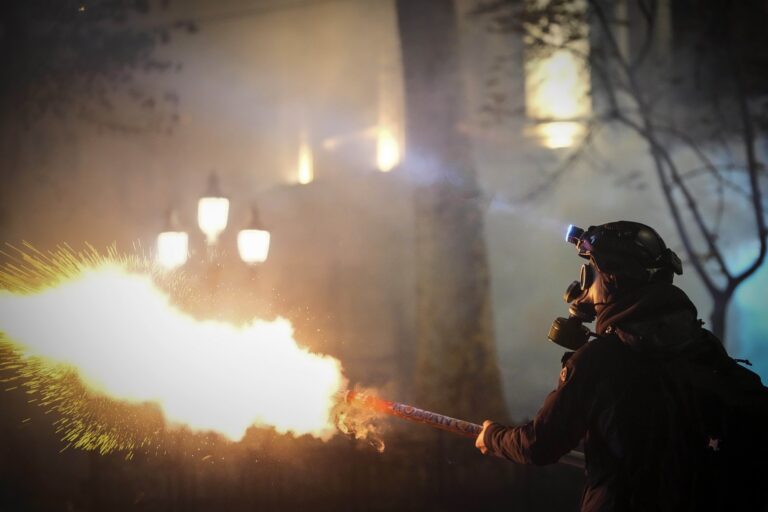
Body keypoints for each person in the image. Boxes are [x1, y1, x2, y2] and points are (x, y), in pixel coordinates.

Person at [475, 221, 768, 511]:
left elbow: (539, 445)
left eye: (590, 272)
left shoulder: (596, 361)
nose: (583, 286)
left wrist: (493, 437)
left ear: (612, 279)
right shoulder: (704, 348)